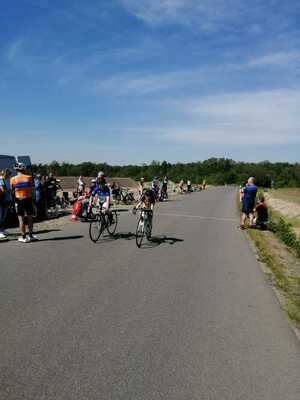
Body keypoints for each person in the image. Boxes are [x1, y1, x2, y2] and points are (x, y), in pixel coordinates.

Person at [10, 162, 38, 242]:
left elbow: (12, 191)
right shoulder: (29, 177)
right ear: (23, 168)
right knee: (30, 218)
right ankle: (31, 235)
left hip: (19, 200)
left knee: (21, 220)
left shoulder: (13, 179)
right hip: (28, 199)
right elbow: (32, 190)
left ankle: (23, 237)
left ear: (16, 169)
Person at [0, 169, 11, 240]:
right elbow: (2, 190)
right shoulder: (1, 180)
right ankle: (0, 231)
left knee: (3, 215)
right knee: (0, 215)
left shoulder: (2, 180)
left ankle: (2, 229)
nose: (9, 177)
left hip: (3, 200)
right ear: (5, 174)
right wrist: (9, 190)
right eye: (8, 175)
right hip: (0, 200)